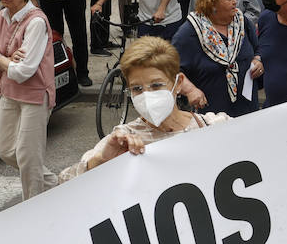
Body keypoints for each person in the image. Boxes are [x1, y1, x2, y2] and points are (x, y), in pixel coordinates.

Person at [62, 37, 229, 179]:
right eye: (137, 89)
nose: (147, 95)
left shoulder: (213, 126)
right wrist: (99, 161)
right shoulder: (123, 139)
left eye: (156, 85)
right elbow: (64, 183)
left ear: (178, 83)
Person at [0, 0, 59, 199]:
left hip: (35, 94)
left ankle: (32, 208)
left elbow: (23, 70)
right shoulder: (2, 17)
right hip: (9, 91)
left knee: (28, 155)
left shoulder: (35, 21)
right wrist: (3, 59)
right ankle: (55, 184)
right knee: (3, 148)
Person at [173, 0, 262, 117]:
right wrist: (189, 90)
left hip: (248, 111)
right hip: (212, 117)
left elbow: (258, 49)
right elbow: (170, 71)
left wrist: (258, 60)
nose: (235, 2)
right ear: (212, 3)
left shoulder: (242, 22)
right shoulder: (189, 33)